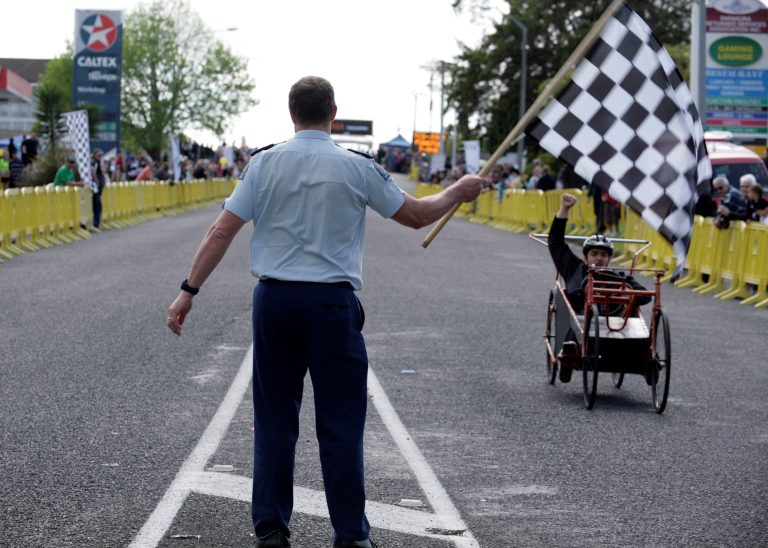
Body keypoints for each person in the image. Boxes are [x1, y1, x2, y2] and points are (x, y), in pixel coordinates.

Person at [166, 76, 487, 548]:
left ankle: (272, 528)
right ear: (334, 112)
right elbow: (417, 215)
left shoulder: (263, 163)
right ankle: (350, 535)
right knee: (341, 423)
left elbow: (221, 231)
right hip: (332, 304)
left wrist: (188, 289)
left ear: (290, 113)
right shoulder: (357, 167)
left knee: (274, 418)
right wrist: (457, 192)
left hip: (274, 301)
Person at [548, 193, 651, 382]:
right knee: (576, 320)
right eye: (594, 254)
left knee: (637, 323)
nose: (599, 258)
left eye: (604, 255)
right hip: (581, 324)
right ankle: (569, 354)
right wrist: (565, 209)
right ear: (586, 257)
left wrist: (628, 293)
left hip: (617, 326)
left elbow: (645, 296)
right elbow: (555, 243)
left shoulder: (619, 277)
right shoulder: (574, 268)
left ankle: (646, 360)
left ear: (609, 259)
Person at [91, 149, 106, 228]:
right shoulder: (93, 162)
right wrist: (97, 182)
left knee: (97, 205)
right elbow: (93, 173)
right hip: (94, 187)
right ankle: (95, 224)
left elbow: (103, 171)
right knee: (96, 205)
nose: (100, 156)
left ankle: (96, 223)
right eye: (98, 155)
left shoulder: (98, 162)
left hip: (97, 186)